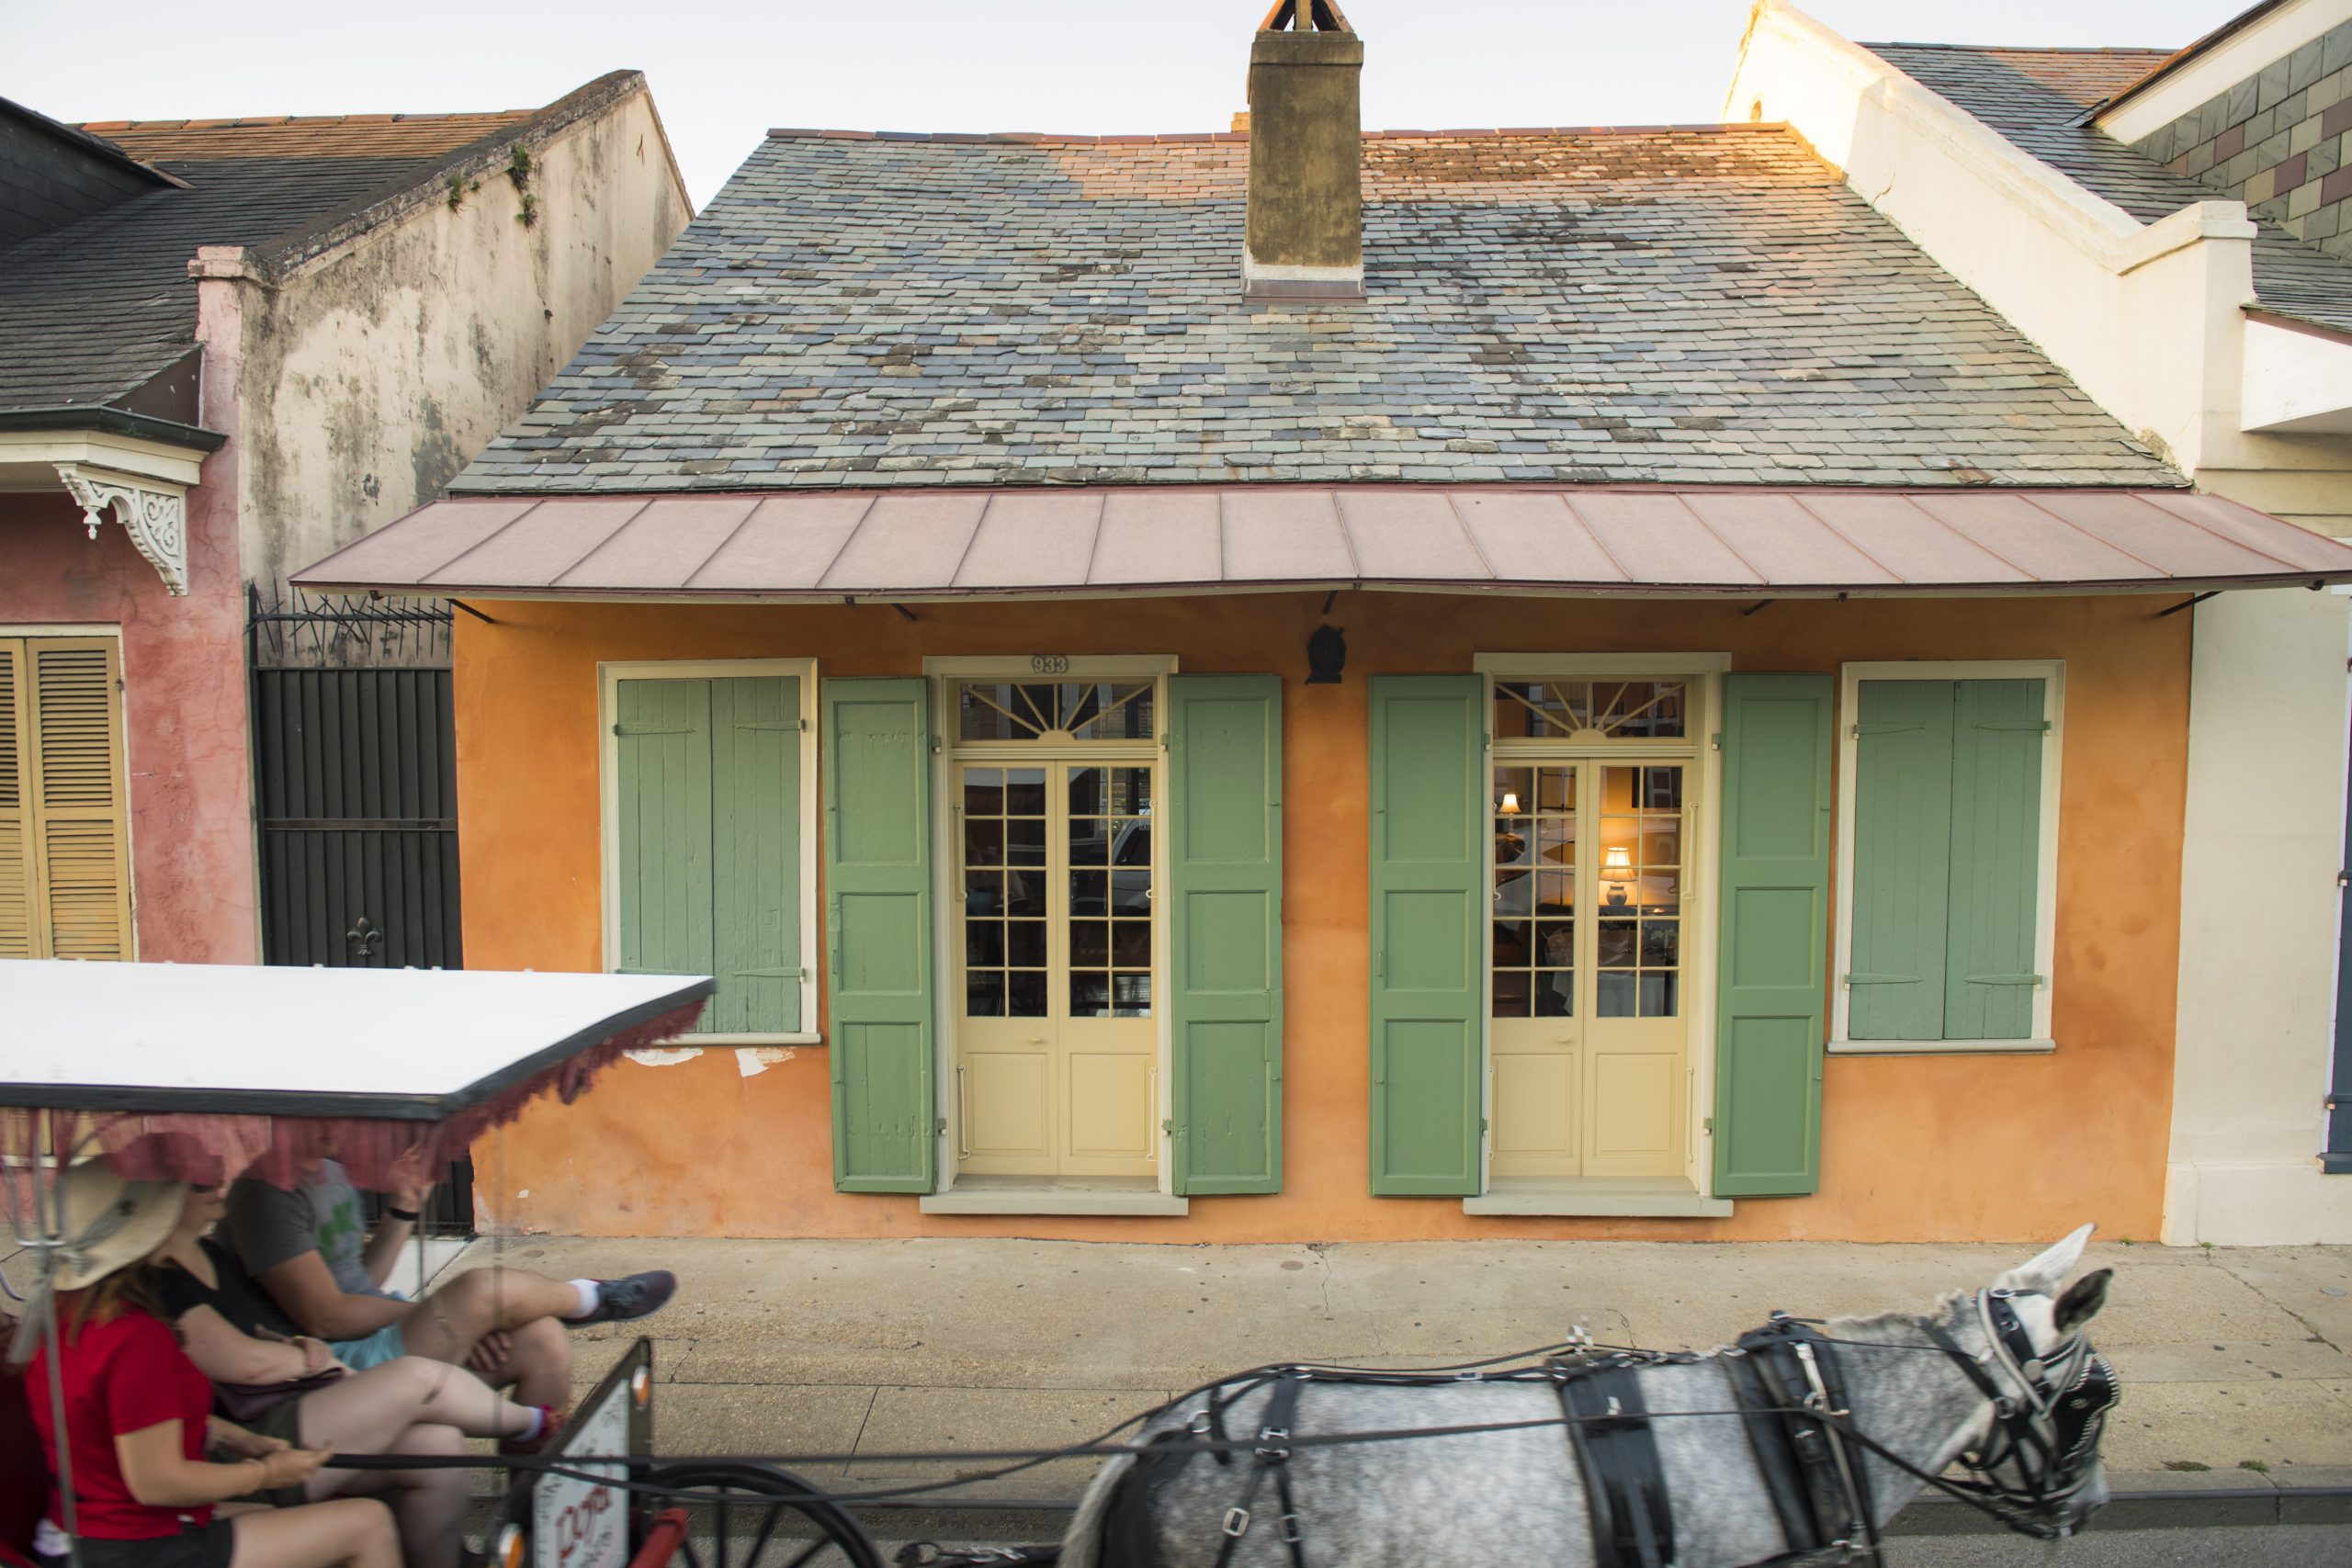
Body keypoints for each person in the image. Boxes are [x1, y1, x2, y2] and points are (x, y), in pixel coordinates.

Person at [147, 1181, 560, 1568]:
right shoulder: (159, 1278)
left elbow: (260, 1330)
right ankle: (535, 1422)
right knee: (415, 1378)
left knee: (439, 1444)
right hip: (256, 1433)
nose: (218, 1184)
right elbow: (244, 1362)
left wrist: (295, 1346)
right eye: (196, 1182)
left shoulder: (209, 1253)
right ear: (158, 1198)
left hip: (288, 1402)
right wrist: (313, 1359)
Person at [20, 1164, 400, 1568]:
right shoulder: (135, 1338)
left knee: (275, 1522)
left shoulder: (65, 1315)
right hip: (129, 1546)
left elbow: (125, 1423)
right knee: (367, 1522)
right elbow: (159, 1482)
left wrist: (239, 1439)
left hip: (80, 1532)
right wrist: (266, 1474)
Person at [221, 1141, 673, 1413]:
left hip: (372, 1336)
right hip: (329, 1365)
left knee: (542, 1339)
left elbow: (358, 1280)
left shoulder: (330, 1172)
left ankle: (535, 1514)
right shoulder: (265, 1192)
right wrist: (449, 1316)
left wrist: (404, 1207)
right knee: (479, 1291)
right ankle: (590, 1298)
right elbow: (326, 1316)